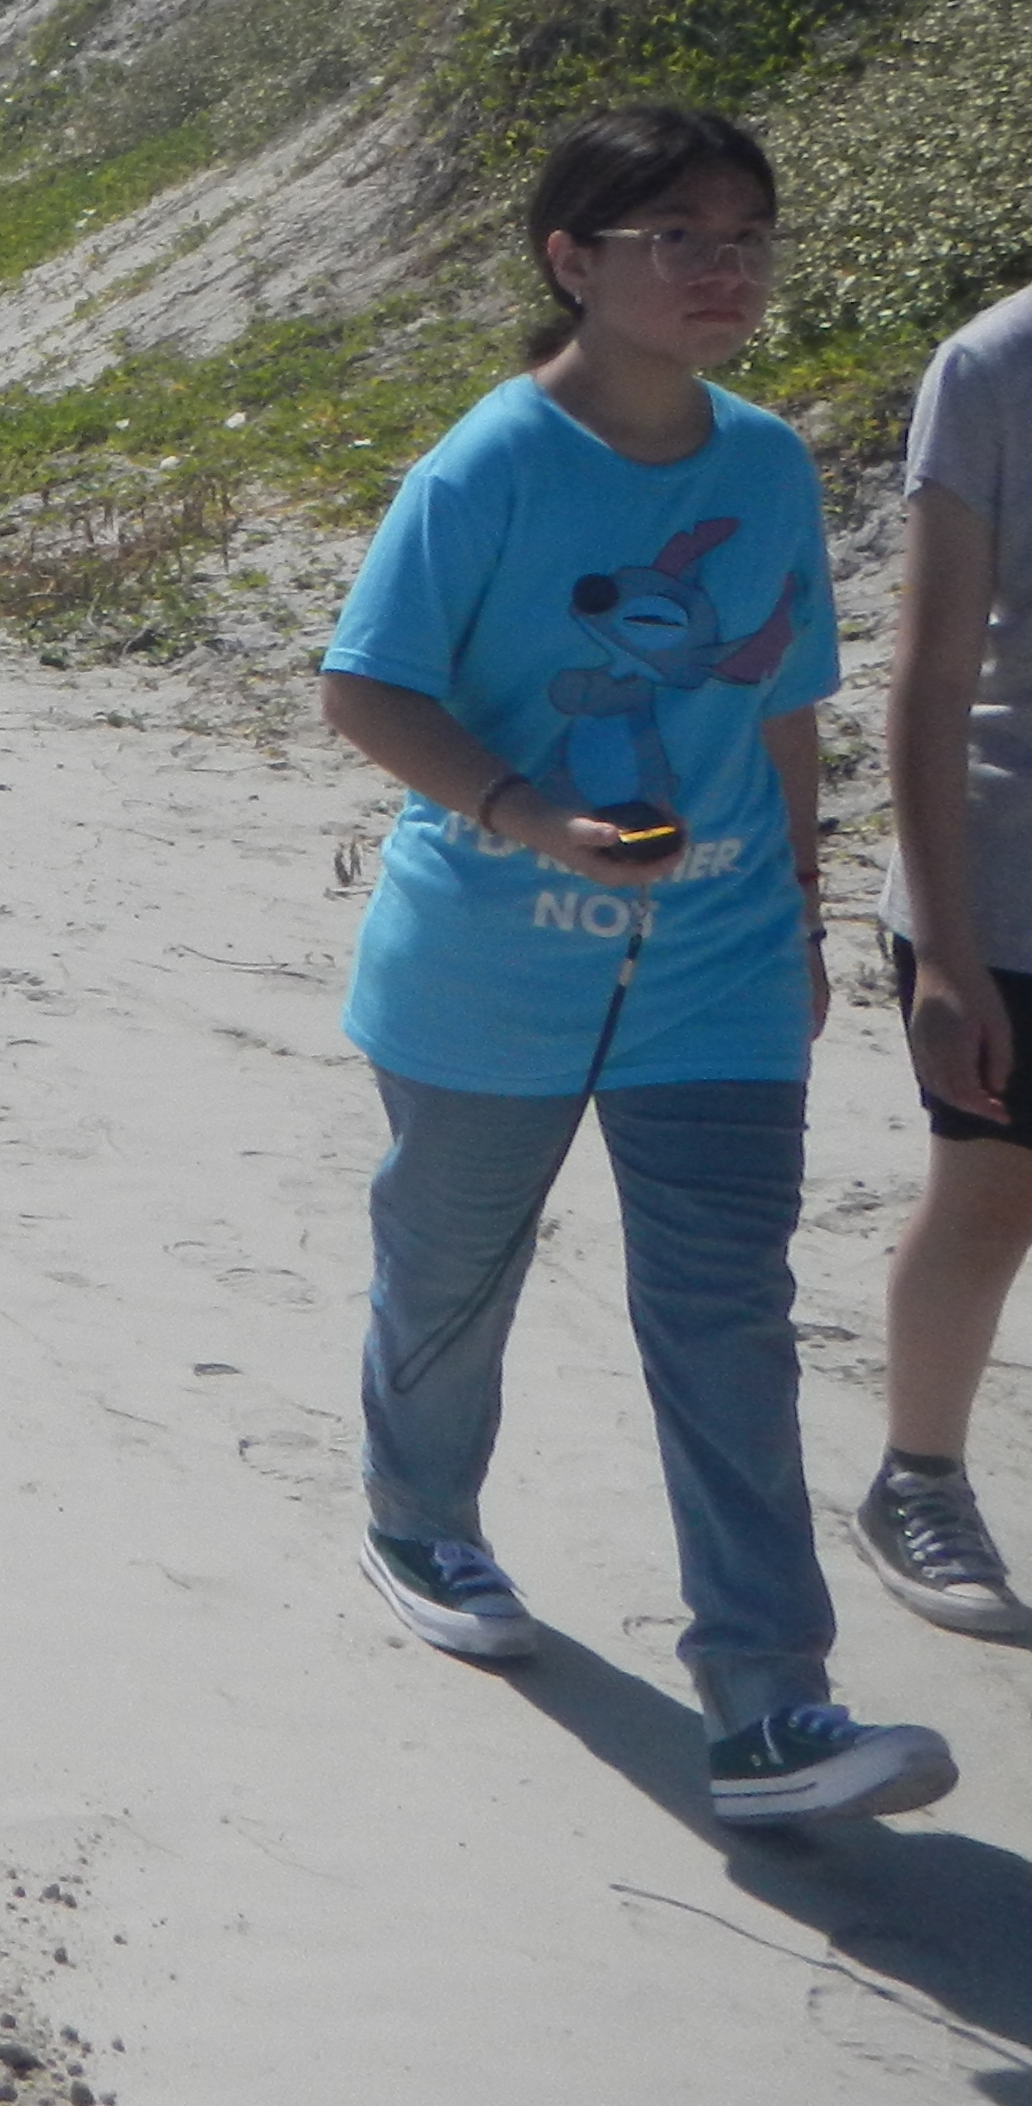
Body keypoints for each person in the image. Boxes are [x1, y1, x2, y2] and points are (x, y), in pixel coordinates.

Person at [316, 104, 955, 1825]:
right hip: (488, 966)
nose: (722, 269)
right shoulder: (488, 466)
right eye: (677, 236)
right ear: (572, 261)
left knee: (728, 1319)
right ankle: (419, 1522)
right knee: (453, 1278)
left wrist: (800, 919)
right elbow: (364, 684)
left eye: (745, 236)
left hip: (716, 970)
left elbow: (782, 705)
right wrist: (529, 814)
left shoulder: (764, 464)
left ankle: (770, 1701)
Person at [865, 284, 1032, 1637]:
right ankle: (916, 1479)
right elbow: (929, 675)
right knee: (988, 1204)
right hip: (1007, 882)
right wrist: (941, 950)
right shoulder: (994, 366)